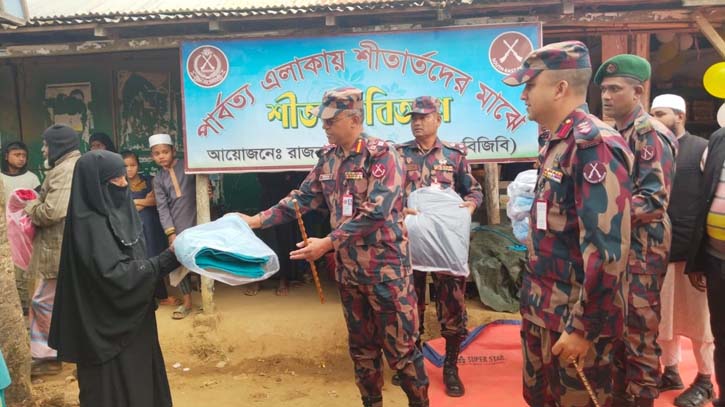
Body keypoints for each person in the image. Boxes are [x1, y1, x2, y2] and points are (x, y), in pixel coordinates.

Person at [238, 87, 430, 407]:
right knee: (362, 352)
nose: (324, 127)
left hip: (387, 275)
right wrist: (256, 220)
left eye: (331, 121)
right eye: (323, 121)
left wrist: (327, 243)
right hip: (351, 274)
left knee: (403, 353)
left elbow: (376, 212)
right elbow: (301, 199)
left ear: (354, 119)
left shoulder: (382, 155)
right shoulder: (329, 159)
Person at [502, 41, 634, 406]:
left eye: (530, 85)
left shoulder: (593, 146)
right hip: (543, 310)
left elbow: (608, 251)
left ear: (560, 88)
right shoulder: (557, 142)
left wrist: (583, 328)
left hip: (573, 322)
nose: (524, 95)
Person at [48, 150, 180, 407]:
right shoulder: (89, 225)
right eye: (115, 180)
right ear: (94, 186)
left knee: (142, 382)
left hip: (135, 315)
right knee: (110, 391)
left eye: (124, 176)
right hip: (103, 328)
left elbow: (136, 258)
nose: (123, 184)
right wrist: (163, 262)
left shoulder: (123, 212)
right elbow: (113, 275)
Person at [595, 54, 679, 407]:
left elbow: (654, 201)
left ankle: (642, 398)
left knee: (639, 339)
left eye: (615, 89)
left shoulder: (650, 135)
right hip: (622, 251)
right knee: (616, 332)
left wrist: (599, 217)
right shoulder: (617, 133)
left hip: (643, 253)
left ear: (638, 91)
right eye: (603, 89)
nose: (606, 96)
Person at [393, 95, 483, 397]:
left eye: (423, 117)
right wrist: (400, 209)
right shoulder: (398, 155)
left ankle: (451, 367)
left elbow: (473, 191)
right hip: (410, 241)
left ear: (437, 119)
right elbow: (388, 193)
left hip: (445, 245)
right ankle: (412, 363)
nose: (417, 122)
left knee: (453, 305)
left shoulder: (454, 155)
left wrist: (467, 209)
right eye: (413, 117)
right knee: (410, 304)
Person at [650, 94, 714, 407]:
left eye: (660, 114)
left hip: (694, 254)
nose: (654, 119)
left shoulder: (702, 149)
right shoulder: (651, 150)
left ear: (680, 115)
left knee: (701, 324)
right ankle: (671, 371)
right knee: (665, 320)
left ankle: (705, 380)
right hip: (661, 251)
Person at [24, 124, 81, 376]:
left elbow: (53, 211)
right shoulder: (68, 166)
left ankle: (51, 356)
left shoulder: (64, 170)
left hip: (61, 249)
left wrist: (30, 208)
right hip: (68, 248)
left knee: (42, 301)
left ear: (57, 145)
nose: (44, 149)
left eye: (46, 144)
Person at [685, 127, 725, 406]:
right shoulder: (719, 139)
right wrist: (698, 257)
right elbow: (705, 196)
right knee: (721, 332)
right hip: (715, 257)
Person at [150, 134, 197, 319]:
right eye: (156, 153)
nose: (161, 156)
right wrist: (171, 233)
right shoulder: (158, 179)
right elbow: (162, 208)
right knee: (179, 262)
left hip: (197, 220)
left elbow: (204, 185)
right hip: (177, 225)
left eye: (165, 152)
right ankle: (187, 302)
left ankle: (209, 298)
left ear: (173, 151)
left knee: (203, 259)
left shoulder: (187, 167)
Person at [122, 150, 176, 306]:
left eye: (133, 165)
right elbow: (123, 208)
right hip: (132, 229)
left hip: (152, 228)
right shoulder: (120, 183)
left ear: (138, 165)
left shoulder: (149, 180)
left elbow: (155, 201)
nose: (129, 169)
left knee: (154, 258)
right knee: (138, 261)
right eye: (125, 166)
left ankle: (162, 296)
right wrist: (143, 200)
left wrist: (136, 203)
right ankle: (145, 298)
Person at [248, 171, 310, 296]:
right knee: (264, 240)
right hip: (267, 199)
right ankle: (260, 278)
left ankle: (284, 279)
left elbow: (301, 178)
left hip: (288, 202)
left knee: (285, 240)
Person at [1, 140, 41, 315]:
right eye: (17, 155)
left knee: (26, 267)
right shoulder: (1, 178)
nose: (21, 159)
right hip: (5, 230)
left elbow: (37, 203)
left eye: (24, 155)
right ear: (6, 156)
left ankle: (27, 305)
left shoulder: (32, 178)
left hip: (26, 231)